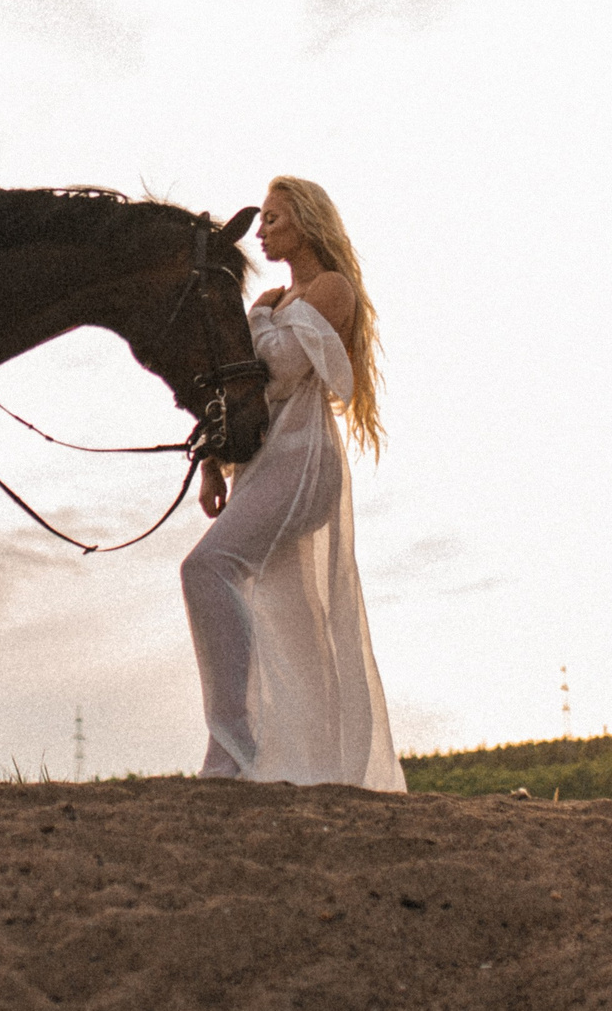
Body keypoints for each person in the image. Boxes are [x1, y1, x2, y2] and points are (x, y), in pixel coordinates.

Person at [180, 175, 405, 789]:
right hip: (259, 460)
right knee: (286, 616)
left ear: (306, 221)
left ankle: (233, 751)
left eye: (274, 219)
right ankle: (303, 764)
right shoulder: (268, 302)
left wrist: (249, 332)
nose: (262, 231)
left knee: (206, 569)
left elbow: (275, 375)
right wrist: (211, 465)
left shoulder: (331, 289)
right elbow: (237, 392)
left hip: (302, 458)